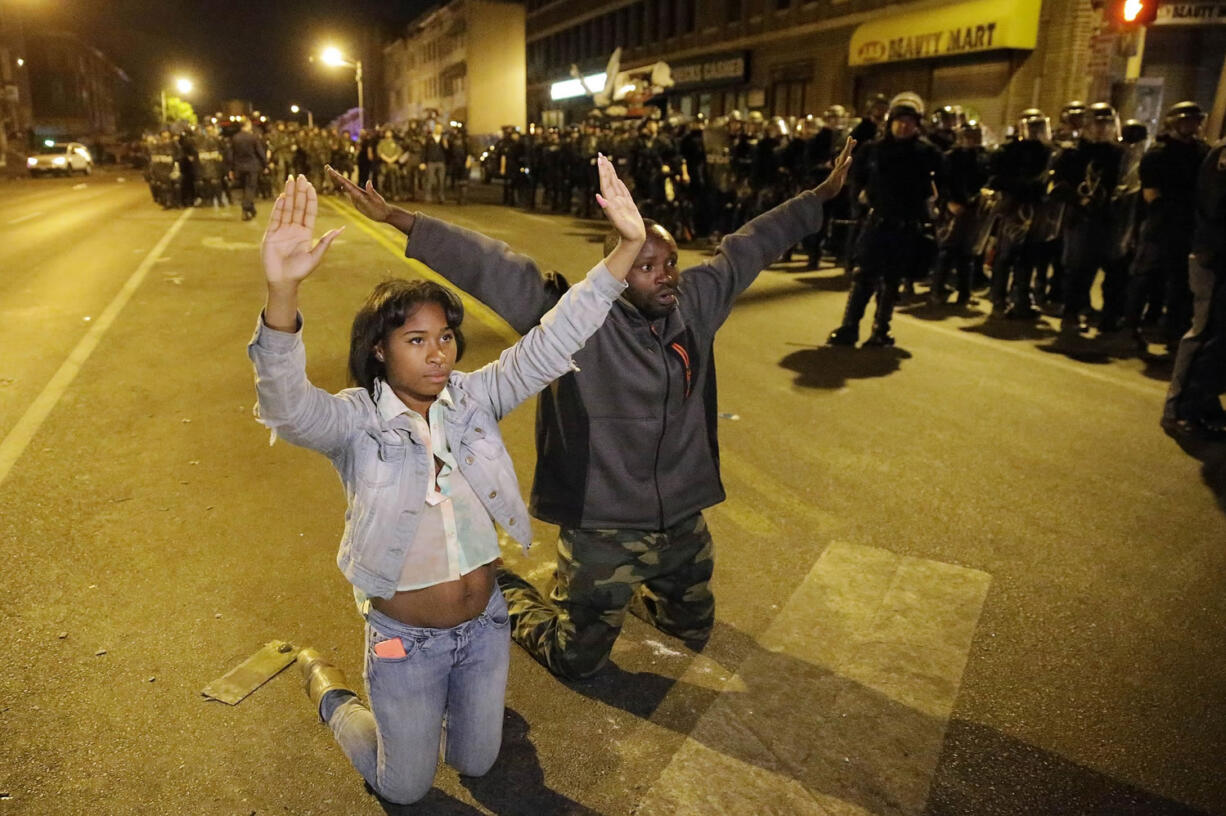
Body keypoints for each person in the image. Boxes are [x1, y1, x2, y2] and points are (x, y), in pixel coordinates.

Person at [326, 137, 854, 681]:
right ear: (618, 269)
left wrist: (818, 196)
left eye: (670, 262)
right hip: (603, 523)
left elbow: (752, 244)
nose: (665, 274)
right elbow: (491, 266)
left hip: (681, 517)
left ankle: (637, 588)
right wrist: (401, 220)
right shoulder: (572, 314)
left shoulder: (697, 302)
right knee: (576, 659)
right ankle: (511, 590)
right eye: (647, 265)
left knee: (693, 629)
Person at [250, 164, 645, 804]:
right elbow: (287, 406)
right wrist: (281, 293)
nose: (439, 354)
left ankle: (458, 717)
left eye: (445, 338)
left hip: (486, 628)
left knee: (478, 764)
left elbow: (551, 341)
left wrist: (625, 252)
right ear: (380, 350)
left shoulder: (474, 399)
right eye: (416, 340)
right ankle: (334, 695)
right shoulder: (353, 422)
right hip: (406, 644)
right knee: (403, 789)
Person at [827, 91, 941, 347]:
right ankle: (849, 328)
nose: (904, 126)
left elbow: (943, 180)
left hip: (907, 227)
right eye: (899, 120)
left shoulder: (927, 152)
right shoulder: (873, 150)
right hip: (877, 223)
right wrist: (860, 202)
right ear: (890, 122)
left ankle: (881, 330)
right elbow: (856, 179)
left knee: (892, 282)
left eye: (910, 121)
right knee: (863, 278)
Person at [1161, 138, 1226, 441]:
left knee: (1217, 338)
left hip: (1216, 254)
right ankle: (1179, 408)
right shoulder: (1221, 155)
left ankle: (1204, 401)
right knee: (1204, 332)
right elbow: (1214, 208)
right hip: (1213, 257)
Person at [231, 117, 266, 221]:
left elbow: (231, 154)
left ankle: (251, 209)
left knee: (245, 188)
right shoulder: (253, 137)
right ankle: (246, 208)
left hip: (239, 167)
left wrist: (232, 168)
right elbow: (260, 152)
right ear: (247, 125)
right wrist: (265, 164)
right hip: (252, 166)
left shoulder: (235, 138)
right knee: (250, 188)